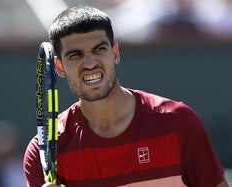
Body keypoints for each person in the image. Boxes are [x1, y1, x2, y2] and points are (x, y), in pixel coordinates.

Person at [23, 5, 229, 187]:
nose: (90, 63)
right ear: (59, 66)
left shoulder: (179, 122)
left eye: (99, 49)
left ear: (115, 53)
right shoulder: (41, 153)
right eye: (75, 55)